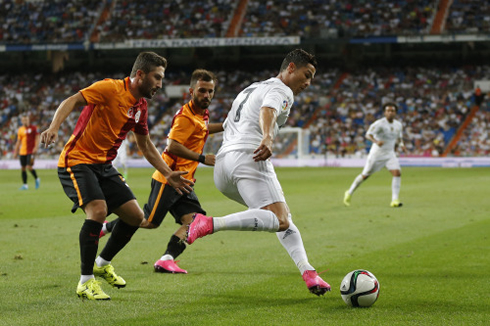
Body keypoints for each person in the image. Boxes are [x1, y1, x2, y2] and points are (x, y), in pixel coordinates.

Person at [40, 52, 194, 301]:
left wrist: (168, 173)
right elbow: (71, 101)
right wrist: (54, 127)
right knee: (98, 210)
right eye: (157, 77)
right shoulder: (109, 88)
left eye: (161, 79)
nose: (160, 84)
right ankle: (85, 281)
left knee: (135, 216)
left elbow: (145, 145)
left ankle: (102, 263)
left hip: (104, 167)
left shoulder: (140, 107)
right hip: (77, 161)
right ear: (140, 74)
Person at [185, 49, 331, 296]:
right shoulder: (281, 90)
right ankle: (209, 223)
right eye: (306, 75)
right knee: (280, 218)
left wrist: (195, 129)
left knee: (281, 217)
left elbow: (229, 123)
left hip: (223, 167)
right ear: (291, 68)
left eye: (312, 79)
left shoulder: (250, 88)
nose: (308, 82)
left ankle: (309, 272)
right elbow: (269, 110)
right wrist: (267, 138)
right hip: (248, 157)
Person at [101, 69, 223, 274]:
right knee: (149, 222)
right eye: (202, 91)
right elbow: (172, 145)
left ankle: (167, 259)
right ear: (192, 91)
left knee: (195, 221)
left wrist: (226, 126)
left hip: (184, 181)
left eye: (210, 91)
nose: (207, 95)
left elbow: (203, 128)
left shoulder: (202, 115)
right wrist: (203, 158)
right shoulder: (185, 116)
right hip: (170, 178)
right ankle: (104, 228)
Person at [343, 102, 406, 207]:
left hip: (390, 154)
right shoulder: (379, 123)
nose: (390, 113)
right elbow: (368, 134)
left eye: (392, 111)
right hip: (377, 154)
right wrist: (376, 142)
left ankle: (394, 200)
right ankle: (349, 192)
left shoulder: (398, 125)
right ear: (385, 113)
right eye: (388, 111)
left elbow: (399, 138)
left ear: (395, 113)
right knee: (365, 175)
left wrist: (402, 145)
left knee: (397, 173)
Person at [13, 114, 41, 190]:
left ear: (29, 120)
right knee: (23, 168)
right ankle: (25, 185)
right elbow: (18, 141)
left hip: (31, 151)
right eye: (23, 120)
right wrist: (16, 151)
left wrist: (36, 147)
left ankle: (37, 179)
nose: (25, 121)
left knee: (29, 166)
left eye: (26, 119)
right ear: (21, 121)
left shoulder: (34, 128)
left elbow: (37, 138)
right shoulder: (20, 129)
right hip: (22, 152)